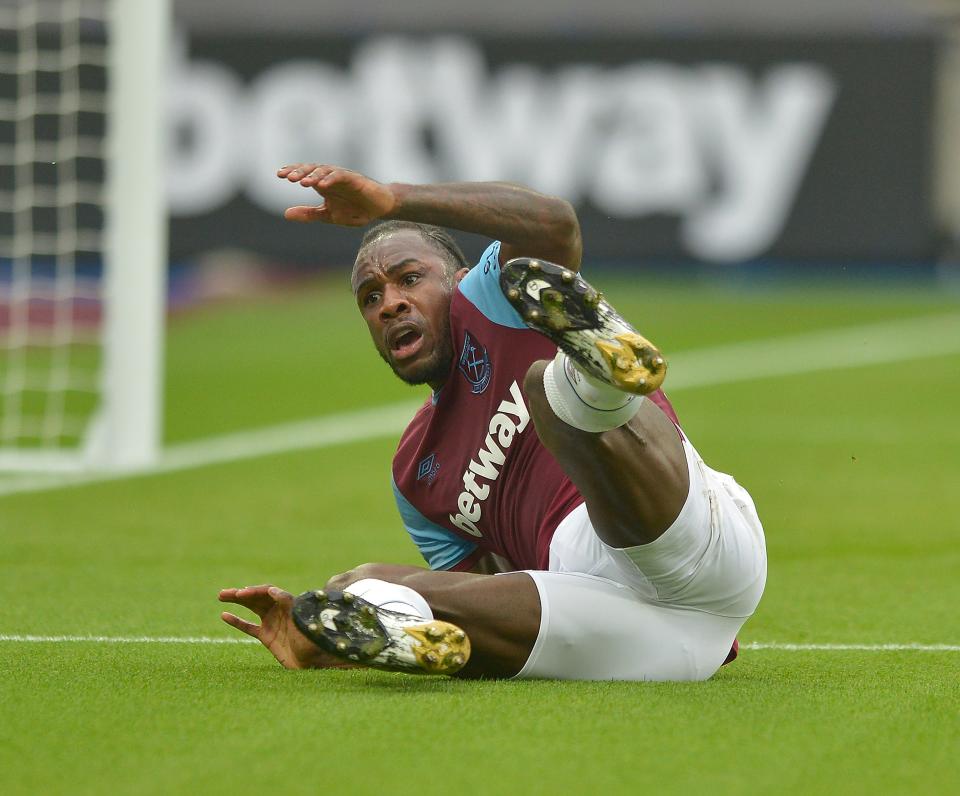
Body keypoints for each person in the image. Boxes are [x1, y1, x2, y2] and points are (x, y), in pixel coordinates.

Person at [218, 163, 767, 681]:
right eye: (371, 297)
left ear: (459, 281)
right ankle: (396, 628)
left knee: (545, 389)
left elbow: (555, 224)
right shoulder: (413, 476)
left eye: (410, 279)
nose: (390, 304)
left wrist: (393, 199)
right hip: (645, 634)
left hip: (690, 537)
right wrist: (321, 634)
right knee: (354, 584)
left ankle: (599, 377)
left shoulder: (489, 299)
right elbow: (491, 596)